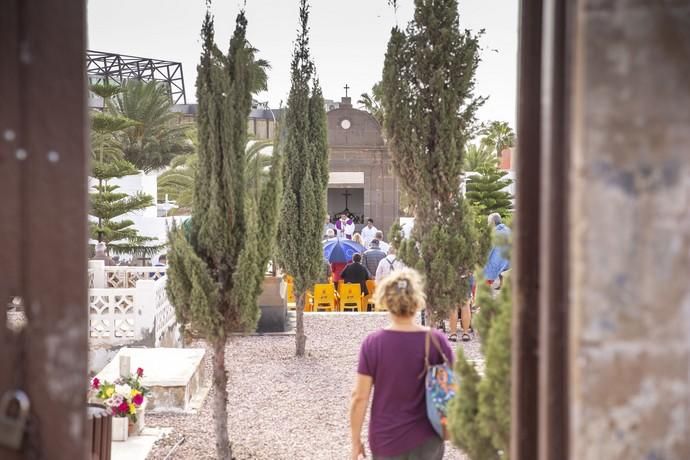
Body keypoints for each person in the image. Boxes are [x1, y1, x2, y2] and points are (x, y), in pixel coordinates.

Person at [350, 268, 453, 460]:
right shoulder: (437, 341)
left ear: (385, 300)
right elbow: (453, 385)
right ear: (417, 300)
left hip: (386, 438)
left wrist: (355, 441)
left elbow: (359, 397)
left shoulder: (373, 344)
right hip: (428, 437)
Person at [483, 213, 511, 293]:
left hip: (498, 263)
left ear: (493, 223)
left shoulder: (494, 234)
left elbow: (488, 251)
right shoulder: (508, 230)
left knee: (483, 270)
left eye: (488, 222)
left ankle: (482, 296)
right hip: (509, 262)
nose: (488, 224)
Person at [448, 273, 475, 342]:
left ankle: (453, 334)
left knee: (453, 304)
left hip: (452, 274)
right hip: (467, 275)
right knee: (465, 304)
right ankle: (465, 333)